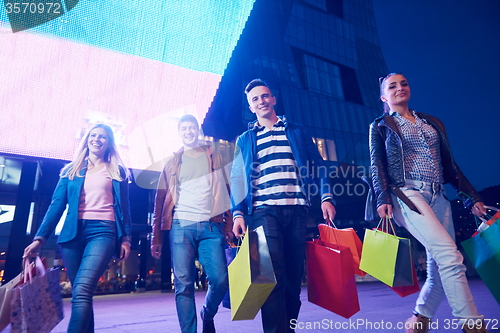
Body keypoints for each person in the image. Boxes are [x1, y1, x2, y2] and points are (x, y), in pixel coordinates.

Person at [370, 73, 488, 333]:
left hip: (439, 196)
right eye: (393, 86)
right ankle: (472, 324)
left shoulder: (431, 122)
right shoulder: (380, 126)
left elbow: (450, 166)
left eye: (404, 84)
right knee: (450, 257)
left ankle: (419, 319)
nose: (400, 88)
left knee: (438, 267)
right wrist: (382, 197)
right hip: (407, 194)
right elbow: (377, 164)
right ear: (383, 97)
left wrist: (471, 197)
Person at [230, 79, 336, 333]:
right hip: (263, 212)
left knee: (291, 279)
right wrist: (237, 213)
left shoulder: (296, 131)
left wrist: (326, 196)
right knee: (271, 278)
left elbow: (319, 166)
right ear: (250, 107)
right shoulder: (245, 139)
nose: (261, 101)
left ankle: (287, 329)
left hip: (297, 209)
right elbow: (238, 178)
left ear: (273, 99)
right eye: (255, 99)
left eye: (265, 96)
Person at [23, 123, 132, 333]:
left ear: (109, 143)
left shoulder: (117, 172)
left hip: (103, 231)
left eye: (102, 137)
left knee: (81, 291)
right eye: (93, 135)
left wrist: (125, 238)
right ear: (87, 139)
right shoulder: (70, 171)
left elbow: (124, 209)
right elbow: (56, 206)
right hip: (73, 235)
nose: (97, 139)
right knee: (82, 294)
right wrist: (40, 238)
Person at [150, 114, 232, 333]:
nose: (188, 131)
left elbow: (228, 192)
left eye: (192, 127)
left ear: (198, 130)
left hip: (210, 226)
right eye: (184, 128)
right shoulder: (172, 162)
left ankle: (208, 313)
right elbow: (159, 201)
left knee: (220, 279)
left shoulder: (215, 157)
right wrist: (155, 237)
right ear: (180, 133)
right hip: (179, 227)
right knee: (183, 285)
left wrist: (229, 223)